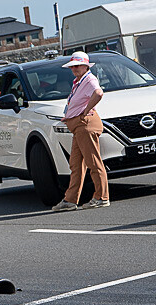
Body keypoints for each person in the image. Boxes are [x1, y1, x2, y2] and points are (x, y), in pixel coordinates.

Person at [52, 52, 109, 211]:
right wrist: (71, 115)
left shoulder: (89, 79)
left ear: (85, 66)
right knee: (76, 165)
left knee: (93, 162)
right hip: (79, 126)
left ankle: (101, 197)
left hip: (84, 125)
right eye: (72, 66)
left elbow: (98, 93)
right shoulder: (79, 81)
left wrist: (85, 111)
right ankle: (70, 200)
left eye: (77, 66)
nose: (74, 69)